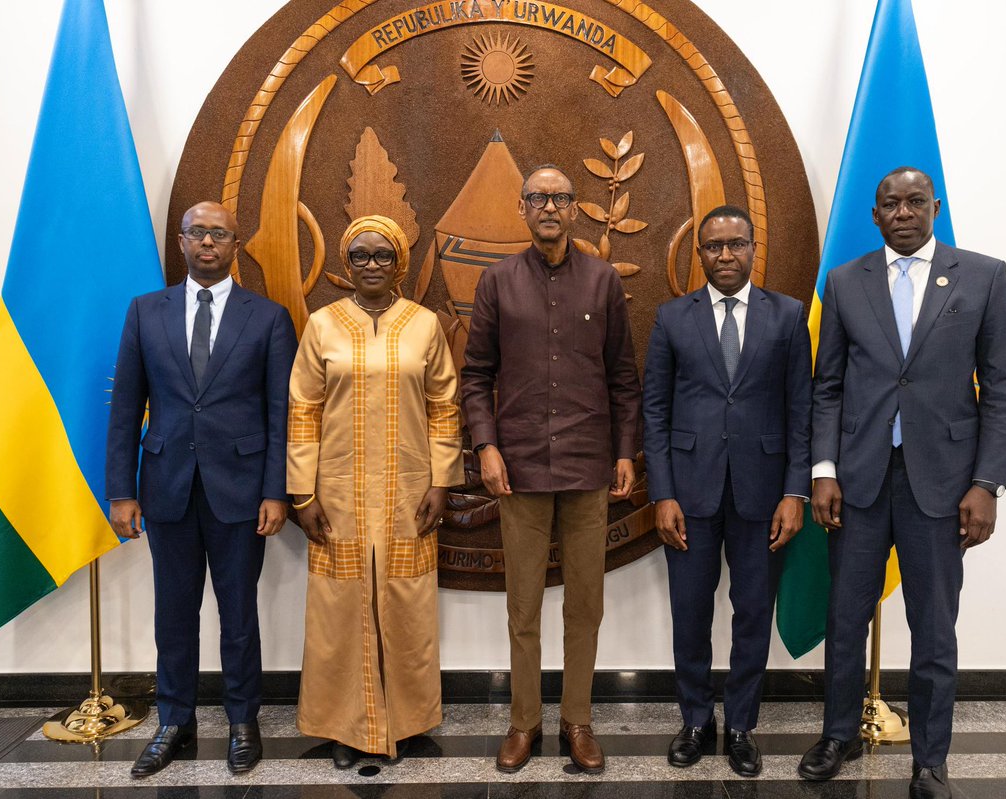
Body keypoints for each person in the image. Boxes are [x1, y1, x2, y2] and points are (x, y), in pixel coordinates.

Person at [799, 167, 1006, 798]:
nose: (902, 212)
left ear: (935, 207)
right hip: (860, 480)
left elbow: (1003, 389)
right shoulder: (845, 283)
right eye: (890, 204)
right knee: (844, 620)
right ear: (874, 215)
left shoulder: (982, 276)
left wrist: (986, 482)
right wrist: (823, 470)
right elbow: (829, 388)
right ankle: (838, 736)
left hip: (944, 486)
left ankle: (930, 759)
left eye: (914, 202)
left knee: (934, 628)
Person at [460, 165, 642, 774]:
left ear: (575, 209)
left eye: (561, 198)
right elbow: (476, 375)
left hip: (589, 466)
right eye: (538, 197)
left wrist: (623, 452)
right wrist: (485, 447)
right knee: (523, 607)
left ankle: (578, 722)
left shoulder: (603, 282)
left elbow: (623, 378)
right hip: (518, 470)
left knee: (585, 605)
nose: (549, 207)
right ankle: (524, 723)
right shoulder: (497, 282)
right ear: (522, 208)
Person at [106, 201, 297, 777]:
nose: (208, 242)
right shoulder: (146, 312)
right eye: (198, 233)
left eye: (219, 234)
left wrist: (277, 491)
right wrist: (120, 490)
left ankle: (243, 721)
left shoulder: (268, 318)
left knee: (238, 613)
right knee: (174, 612)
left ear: (235, 244)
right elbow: (126, 409)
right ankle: (174, 721)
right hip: (165, 488)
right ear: (182, 241)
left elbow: (279, 415)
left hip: (242, 492)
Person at [287, 215, 463, 769]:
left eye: (381, 256)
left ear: (398, 264)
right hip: (336, 496)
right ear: (346, 263)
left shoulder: (424, 324)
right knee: (338, 613)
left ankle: (407, 723)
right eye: (359, 256)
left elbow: (444, 406)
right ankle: (344, 728)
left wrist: (441, 480)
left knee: (408, 606)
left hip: (408, 495)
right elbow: (303, 411)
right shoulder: (322, 324)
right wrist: (302, 495)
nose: (370, 265)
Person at [643, 205, 812, 776]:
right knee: (689, 612)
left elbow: (800, 412)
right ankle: (695, 720)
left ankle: (740, 723)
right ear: (700, 255)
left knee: (752, 610)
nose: (725, 256)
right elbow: (656, 413)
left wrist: (796, 492)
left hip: (764, 495)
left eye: (736, 244)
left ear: (753, 248)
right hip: (688, 494)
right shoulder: (671, 318)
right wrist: (661, 493)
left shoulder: (787, 317)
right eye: (714, 247)